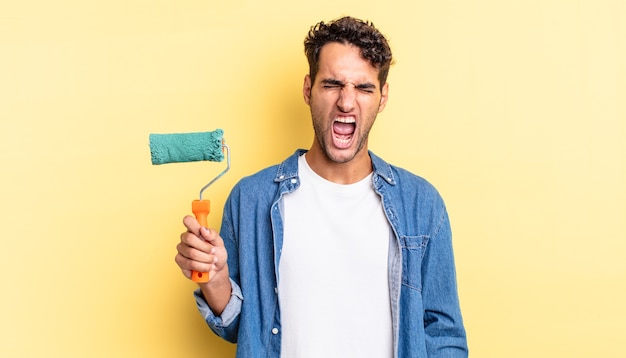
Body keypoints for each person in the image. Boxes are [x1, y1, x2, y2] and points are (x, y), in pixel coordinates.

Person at [175, 16, 468, 357]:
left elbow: (444, 337)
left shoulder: (421, 204)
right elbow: (240, 328)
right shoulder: (251, 200)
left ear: (382, 96)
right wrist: (215, 279)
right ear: (308, 89)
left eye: (363, 88)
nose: (346, 102)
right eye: (332, 85)